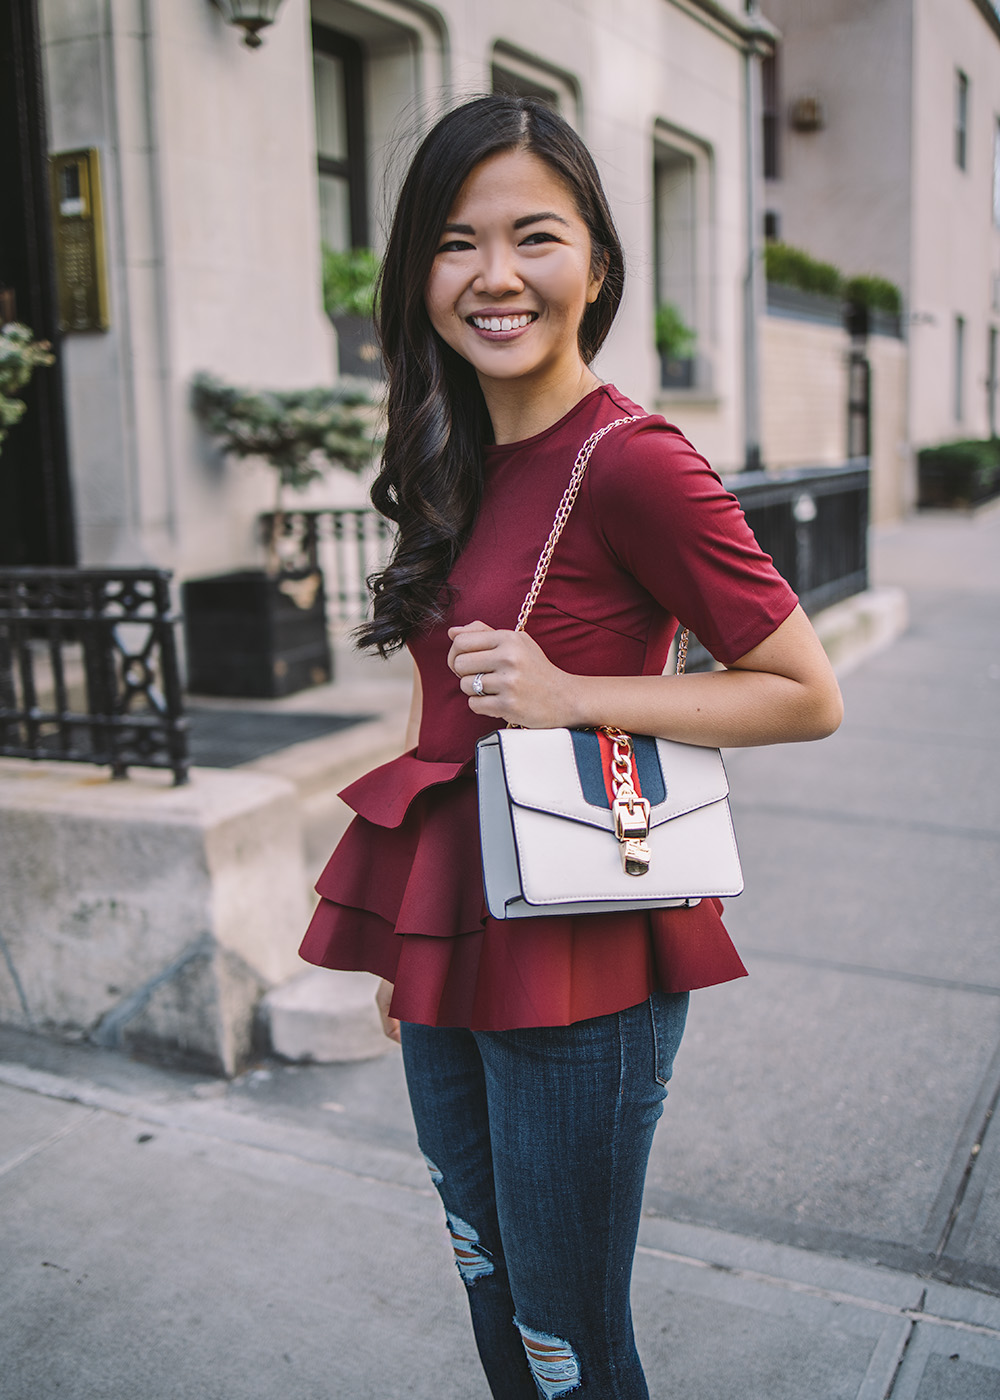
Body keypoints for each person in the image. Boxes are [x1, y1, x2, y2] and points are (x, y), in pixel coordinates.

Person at [300, 94, 843, 1400]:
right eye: (452, 241)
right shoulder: (463, 453)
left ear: (596, 263)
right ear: (415, 273)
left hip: (581, 954)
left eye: (533, 237)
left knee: (567, 1345)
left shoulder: (633, 462)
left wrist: (573, 693)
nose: (493, 276)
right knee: (488, 1284)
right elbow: (444, 720)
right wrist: (415, 959)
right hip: (458, 942)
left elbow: (801, 689)